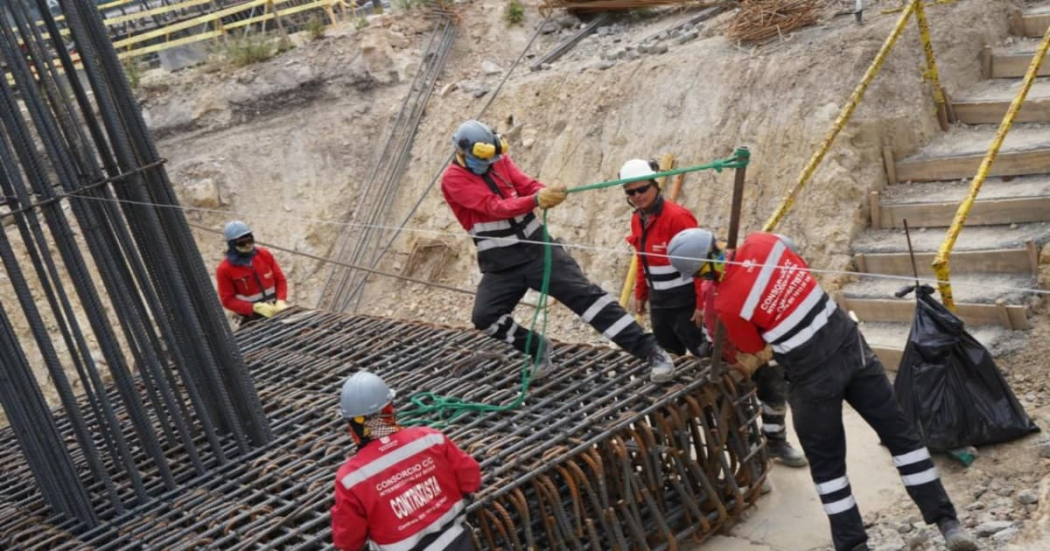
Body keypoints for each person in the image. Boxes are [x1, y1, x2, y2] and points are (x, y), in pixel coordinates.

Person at [666, 229, 976, 551]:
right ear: (715, 241)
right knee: (902, 436)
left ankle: (853, 545)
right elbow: (799, 265)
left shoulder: (727, 303)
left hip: (812, 379)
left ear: (698, 274)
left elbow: (753, 345)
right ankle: (948, 523)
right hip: (852, 351)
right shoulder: (764, 242)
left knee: (828, 468)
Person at [440, 120, 675, 382]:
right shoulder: (453, 180)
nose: (492, 163)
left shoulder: (498, 160)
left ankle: (652, 351)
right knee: (485, 317)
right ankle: (537, 347)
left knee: (590, 300)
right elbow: (493, 206)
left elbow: (525, 184)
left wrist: (543, 191)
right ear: (463, 152)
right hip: (501, 264)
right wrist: (535, 200)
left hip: (539, 251)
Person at [620, 158, 805, 467]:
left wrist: (698, 304)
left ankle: (773, 441)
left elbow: (696, 263)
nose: (637, 196)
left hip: (687, 306)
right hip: (662, 306)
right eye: (631, 192)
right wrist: (642, 292)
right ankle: (683, 436)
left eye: (642, 189)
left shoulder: (678, 218)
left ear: (656, 185)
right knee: (673, 369)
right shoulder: (638, 220)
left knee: (731, 372)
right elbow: (642, 257)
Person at [331, 371, 481, 550]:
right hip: (457, 543)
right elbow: (471, 479)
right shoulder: (430, 439)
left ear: (351, 423)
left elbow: (348, 541)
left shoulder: (350, 478)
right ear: (389, 409)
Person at [215, 220, 289, 323]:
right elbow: (227, 300)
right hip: (252, 318)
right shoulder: (224, 269)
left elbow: (280, 280)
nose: (247, 245)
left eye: (249, 240)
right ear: (231, 244)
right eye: (242, 243)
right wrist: (254, 307)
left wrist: (281, 300)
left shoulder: (264, 255)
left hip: (276, 310)